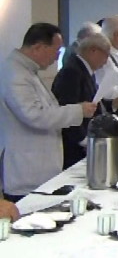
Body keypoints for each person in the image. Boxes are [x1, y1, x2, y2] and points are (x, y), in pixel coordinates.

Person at [0, 23, 96, 202]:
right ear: (38, 47)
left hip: (39, 166)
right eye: (56, 50)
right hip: (27, 169)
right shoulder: (16, 74)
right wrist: (78, 111)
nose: (57, 57)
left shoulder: (27, 70)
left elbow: (47, 109)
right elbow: (35, 116)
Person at [52, 33, 110, 168]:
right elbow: (67, 106)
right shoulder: (72, 72)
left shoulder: (84, 70)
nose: (106, 61)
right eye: (106, 55)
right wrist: (83, 140)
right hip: (74, 146)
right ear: (93, 50)